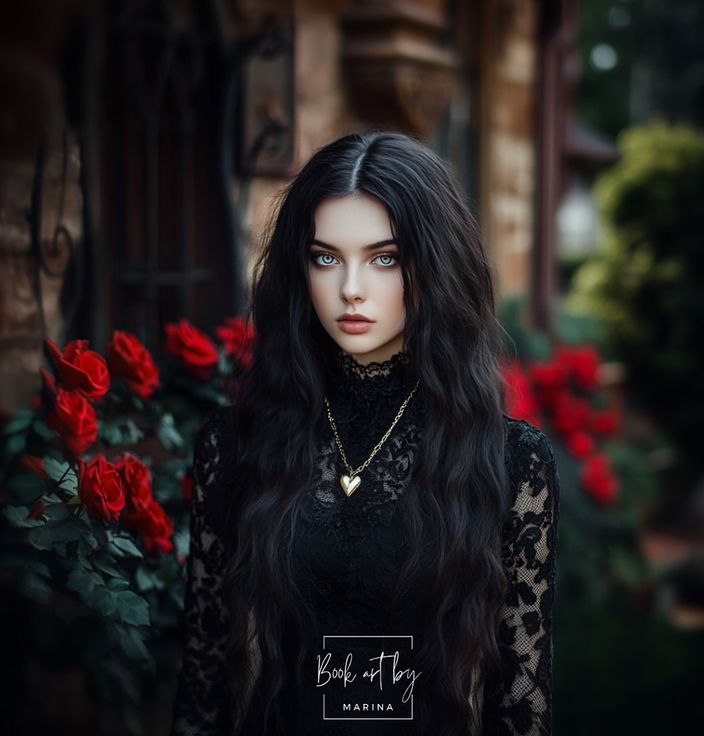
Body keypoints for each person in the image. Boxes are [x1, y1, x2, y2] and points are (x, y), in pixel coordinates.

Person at [170, 130, 560, 736]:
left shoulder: (512, 461)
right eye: (326, 257)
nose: (351, 287)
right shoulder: (236, 444)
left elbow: (520, 704)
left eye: (385, 258)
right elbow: (205, 681)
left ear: (433, 263)